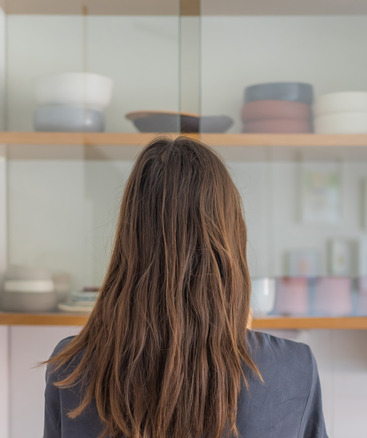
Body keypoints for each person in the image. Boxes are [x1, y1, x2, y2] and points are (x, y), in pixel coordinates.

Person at [43, 136, 328, 438]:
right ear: (231, 243)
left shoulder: (71, 368)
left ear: (129, 243)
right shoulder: (292, 369)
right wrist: (238, 327)